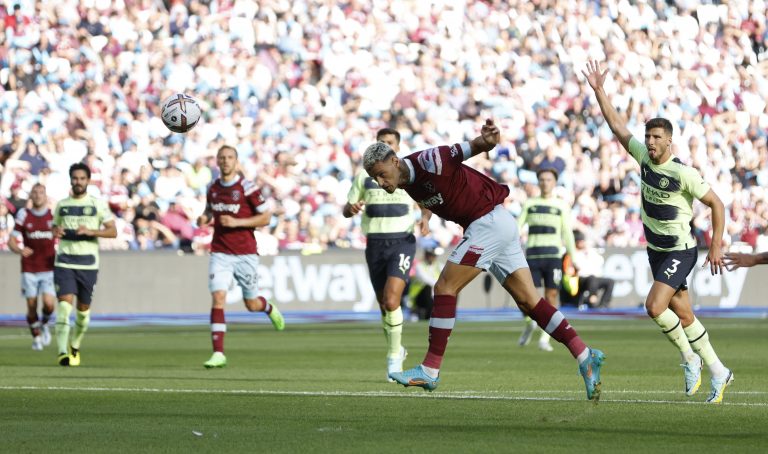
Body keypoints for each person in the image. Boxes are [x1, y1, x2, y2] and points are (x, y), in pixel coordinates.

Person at [363, 119, 605, 401]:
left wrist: (486, 141)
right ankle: (585, 355)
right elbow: (428, 195)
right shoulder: (405, 181)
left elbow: (469, 149)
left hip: (486, 223)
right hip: (498, 223)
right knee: (529, 302)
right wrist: (426, 215)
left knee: (444, 287)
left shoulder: (431, 160)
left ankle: (430, 369)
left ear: (395, 161)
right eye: (375, 179)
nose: (381, 183)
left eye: (382, 174)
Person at [583, 60, 732, 403]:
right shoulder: (643, 158)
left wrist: (716, 245)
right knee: (685, 314)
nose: (649, 142)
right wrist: (600, 91)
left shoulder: (683, 173)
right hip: (656, 250)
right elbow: (617, 127)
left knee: (653, 306)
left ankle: (690, 359)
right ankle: (719, 371)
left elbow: (717, 204)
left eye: (656, 138)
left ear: (669, 142)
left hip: (680, 249)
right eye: (648, 136)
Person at [343, 128, 429, 381]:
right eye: (381, 141)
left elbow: (425, 201)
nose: (384, 144)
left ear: (397, 148)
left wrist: (425, 218)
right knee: (384, 305)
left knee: (392, 300)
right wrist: (351, 208)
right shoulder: (364, 176)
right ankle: (397, 348)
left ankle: (393, 358)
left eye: (389, 142)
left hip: (402, 241)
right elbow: (347, 208)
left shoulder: (406, 173)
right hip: (375, 244)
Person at [200, 145, 284, 369]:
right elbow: (209, 210)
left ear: (236, 162)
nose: (226, 161)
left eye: (230, 157)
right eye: (222, 158)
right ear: (217, 161)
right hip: (220, 252)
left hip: (245, 253)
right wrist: (204, 218)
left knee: (251, 304)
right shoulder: (212, 188)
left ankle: (268, 308)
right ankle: (218, 353)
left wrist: (237, 222)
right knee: (218, 297)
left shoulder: (248, 187)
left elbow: (265, 217)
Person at [52, 163, 118, 366]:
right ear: (70, 180)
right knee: (64, 306)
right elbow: (55, 226)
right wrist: (55, 231)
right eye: (75, 178)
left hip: (88, 264)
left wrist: (92, 232)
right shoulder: (62, 205)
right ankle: (62, 352)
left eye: (82, 178)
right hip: (64, 261)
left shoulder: (97, 205)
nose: (78, 182)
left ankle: (75, 345)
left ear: (88, 180)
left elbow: (113, 231)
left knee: (83, 311)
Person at [516, 168, 576, 351]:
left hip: (553, 257)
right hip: (533, 255)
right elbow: (517, 228)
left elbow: (567, 233)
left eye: (548, 179)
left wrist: (573, 258)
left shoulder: (561, 205)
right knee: (524, 295)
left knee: (551, 296)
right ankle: (530, 323)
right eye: (542, 179)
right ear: (538, 182)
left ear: (554, 182)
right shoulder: (530, 203)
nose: (545, 183)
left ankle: (545, 337)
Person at [8, 183, 56, 351]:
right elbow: (11, 240)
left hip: (49, 267)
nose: (37, 195)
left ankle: (44, 323)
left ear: (45, 195)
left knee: (49, 304)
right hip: (29, 267)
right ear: (30, 195)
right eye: (34, 192)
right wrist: (20, 250)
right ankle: (36, 337)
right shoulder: (23, 215)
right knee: (31, 305)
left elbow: (62, 234)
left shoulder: (53, 216)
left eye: (41, 192)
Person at [571, 231, 615, 308]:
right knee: (592, 278)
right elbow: (579, 266)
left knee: (610, 282)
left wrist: (589, 252)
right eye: (580, 242)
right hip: (582, 279)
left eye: (583, 241)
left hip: (594, 278)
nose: (582, 243)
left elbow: (600, 261)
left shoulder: (590, 251)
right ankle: (591, 299)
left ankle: (603, 305)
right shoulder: (574, 253)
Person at [408, 244, 443, 321]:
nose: (432, 257)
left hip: (435, 294)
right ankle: (428, 315)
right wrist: (440, 285)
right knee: (427, 288)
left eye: (434, 255)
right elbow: (425, 279)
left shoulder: (439, 266)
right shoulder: (419, 266)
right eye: (430, 255)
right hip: (418, 296)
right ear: (426, 255)